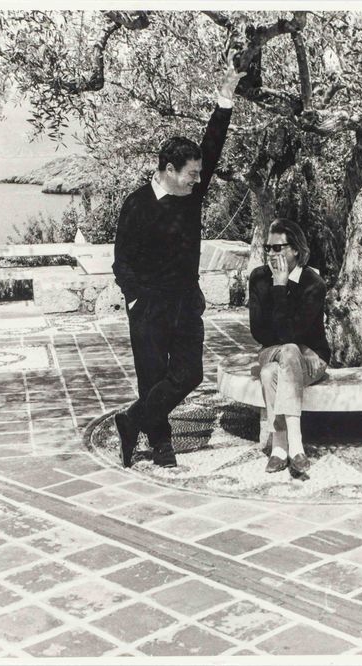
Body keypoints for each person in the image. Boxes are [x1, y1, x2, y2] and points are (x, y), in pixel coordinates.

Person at [113, 54, 245, 469]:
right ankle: (161, 447)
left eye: (198, 174)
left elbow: (213, 143)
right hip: (149, 307)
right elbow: (121, 262)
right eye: (190, 173)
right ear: (169, 170)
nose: (197, 179)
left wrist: (225, 97)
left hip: (187, 302)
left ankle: (131, 419)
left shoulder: (192, 196)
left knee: (189, 375)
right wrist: (135, 299)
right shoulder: (136, 205)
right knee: (152, 377)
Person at [249, 218, 331, 475]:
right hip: (271, 351)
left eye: (278, 248)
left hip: (312, 358)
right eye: (268, 248)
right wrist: (276, 286)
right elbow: (258, 331)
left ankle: (280, 447)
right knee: (286, 351)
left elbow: (291, 334)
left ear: (295, 249)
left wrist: (282, 287)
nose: (271, 254)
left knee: (270, 372)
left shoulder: (313, 283)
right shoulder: (259, 277)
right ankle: (296, 444)